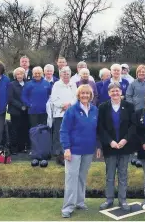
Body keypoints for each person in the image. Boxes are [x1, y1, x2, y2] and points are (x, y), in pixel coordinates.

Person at [60, 85, 101, 218]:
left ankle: (80, 202)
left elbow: (98, 130)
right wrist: (66, 148)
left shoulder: (95, 110)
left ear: (91, 95)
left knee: (82, 177)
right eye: (82, 93)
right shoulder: (72, 110)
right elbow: (64, 130)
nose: (85, 95)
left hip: (88, 150)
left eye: (87, 93)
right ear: (78, 95)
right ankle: (67, 207)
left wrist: (98, 146)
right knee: (71, 178)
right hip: (73, 150)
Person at [98, 82, 135, 211]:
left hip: (125, 146)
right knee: (110, 174)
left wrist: (125, 140)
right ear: (109, 93)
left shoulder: (129, 106)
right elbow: (100, 128)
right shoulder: (102, 107)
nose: (115, 93)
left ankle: (122, 199)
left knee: (123, 174)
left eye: (117, 91)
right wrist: (110, 141)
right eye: (112, 91)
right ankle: (109, 199)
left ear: (121, 92)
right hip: (110, 146)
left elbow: (133, 126)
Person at [47, 66, 77, 165]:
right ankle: (58, 153)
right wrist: (62, 105)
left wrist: (69, 105)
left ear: (70, 74)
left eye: (67, 73)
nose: (66, 75)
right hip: (59, 113)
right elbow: (54, 98)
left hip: (71, 112)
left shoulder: (73, 84)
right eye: (64, 73)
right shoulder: (56, 84)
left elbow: (76, 97)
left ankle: (68, 151)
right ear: (60, 75)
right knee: (58, 133)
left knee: (70, 132)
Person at [7, 67, 29, 154]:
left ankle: (22, 147)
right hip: (15, 111)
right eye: (17, 74)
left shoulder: (28, 84)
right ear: (15, 76)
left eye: (21, 74)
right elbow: (10, 98)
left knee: (24, 129)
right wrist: (21, 106)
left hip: (26, 111)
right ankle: (14, 148)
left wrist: (27, 105)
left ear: (24, 75)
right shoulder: (11, 85)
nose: (19, 76)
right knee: (14, 130)